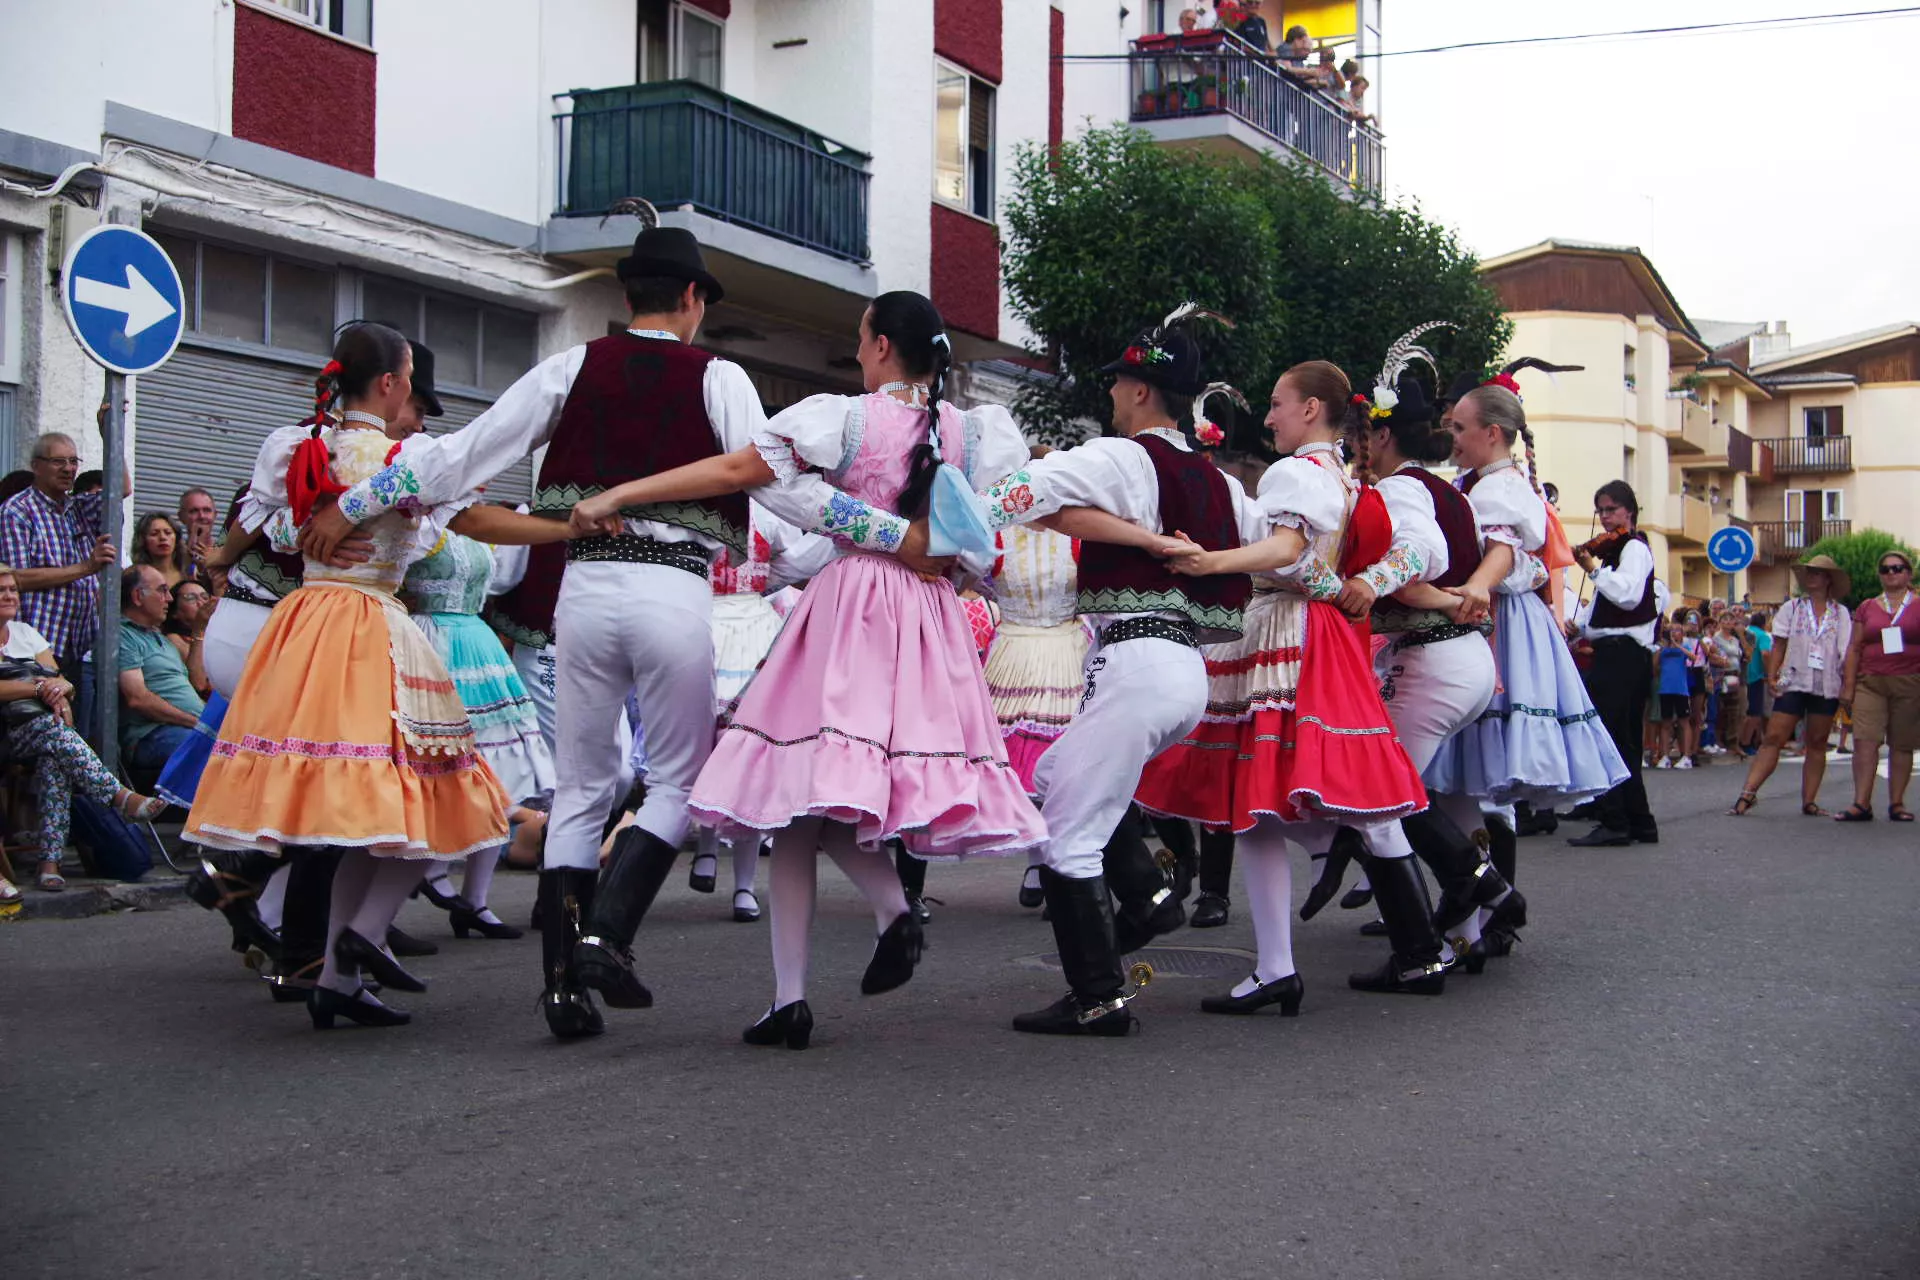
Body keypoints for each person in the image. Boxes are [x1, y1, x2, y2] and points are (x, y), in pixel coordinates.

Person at [299, 233, 952, 1042]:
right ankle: (608, 935)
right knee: (676, 780)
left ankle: (565, 990)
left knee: (582, 786)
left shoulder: (570, 369)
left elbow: (456, 460)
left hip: (585, 589)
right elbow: (782, 489)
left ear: (627, 296)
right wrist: (895, 536)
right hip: (673, 592)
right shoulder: (720, 376)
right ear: (692, 301)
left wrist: (349, 505)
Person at [570, 290, 1045, 1048]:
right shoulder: (971, 432)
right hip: (926, 620)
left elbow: (741, 470)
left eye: (861, 339)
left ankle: (870, 930)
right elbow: (990, 521)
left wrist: (624, 491)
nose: (857, 353)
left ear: (884, 345)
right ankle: (800, 989)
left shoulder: (851, 418)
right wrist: (925, 546)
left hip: (856, 609)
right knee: (805, 803)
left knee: (802, 794)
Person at [185, 322, 513, 1031]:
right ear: (392, 383)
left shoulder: (299, 444)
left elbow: (262, 521)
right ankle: (336, 940)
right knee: (417, 789)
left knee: (323, 781)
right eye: (408, 382)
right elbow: (468, 515)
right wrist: (568, 524)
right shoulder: (409, 457)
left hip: (303, 620)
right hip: (369, 626)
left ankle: (298, 932)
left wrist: (223, 558)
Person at [2, 565, 167, 894]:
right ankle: (119, 797)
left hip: (44, 725)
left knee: (56, 755)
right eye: (1, 591)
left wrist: (61, 692)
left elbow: (60, 679)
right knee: (55, 733)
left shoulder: (25, 633)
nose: (9, 596)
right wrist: (37, 688)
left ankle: (50, 865)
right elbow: (36, 684)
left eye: (13, 590)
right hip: (6, 732)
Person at [983, 514, 1089, 911]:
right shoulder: (998, 535)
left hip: (1068, 646)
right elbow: (970, 579)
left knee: (1067, 766)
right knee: (1021, 766)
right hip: (1013, 647)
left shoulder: (1080, 535)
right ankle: (1037, 860)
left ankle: (1060, 861)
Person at [0, 432, 121, 742]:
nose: (68, 468)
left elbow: (121, 489)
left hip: (83, 642)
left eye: (73, 461)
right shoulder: (17, 510)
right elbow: (18, 578)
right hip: (40, 643)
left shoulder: (79, 506)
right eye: (58, 461)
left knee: (84, 733)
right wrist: (86, 568)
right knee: (54, 732)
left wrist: (110, 434)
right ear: (36, 466)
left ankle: (82, 791)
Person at [1566, 480, 1660, 845]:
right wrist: (1581, 628)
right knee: (1624, 741)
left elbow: (1626, 595)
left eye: (1611, 510)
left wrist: (1591, 569)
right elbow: (1612, 607)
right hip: (1619, 652)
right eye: (1601, 511)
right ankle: (1640, 821)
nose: (1605, 518)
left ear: (1629, 513)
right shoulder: (1618, 553)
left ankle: (1615, 820)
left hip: (1622, 656)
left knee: (1605, 738)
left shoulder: (1633, 549)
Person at [1727, 556, 1852, 817]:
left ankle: (1809, 800)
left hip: (1826, 682)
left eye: (1817, 573)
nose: (1811, 577)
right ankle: (1747, 793)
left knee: (1817, 742)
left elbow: (1846, 652)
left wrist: (1847, 686)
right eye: (1809, 573)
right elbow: (1779, 644)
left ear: (1828, 579)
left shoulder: (1840, 613)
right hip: (1794, 679)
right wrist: (1772, 676)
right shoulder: (1792, 608)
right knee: (1774, 737)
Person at [1836, 549, 1920, 822]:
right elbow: (1854, 647)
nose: (1891, 573)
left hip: (1910, 682)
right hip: (1870, 682)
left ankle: (1897, 803)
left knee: (1902, 744)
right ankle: (1861, 803)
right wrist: (1848, 686)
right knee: (1865, 741)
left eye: (1897, 568)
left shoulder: (1918, 604)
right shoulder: (1867, 606)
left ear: (1909, 573)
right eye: (1886, 569)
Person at [117, 564, 207, 773]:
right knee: (212, 750)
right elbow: (137, 698)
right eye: (162, 590)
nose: (169, 599)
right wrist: (197, 723)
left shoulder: (161, 639)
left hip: (186, 728)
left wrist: (199, 630)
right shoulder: (123, 635)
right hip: (152, 734)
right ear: (138, 596)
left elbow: (197, 684)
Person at [1653, 622, 1692, 767]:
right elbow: (1654, 666)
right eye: (1671, 631)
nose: (1674, 633)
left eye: (1677, 630)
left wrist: (1678, 645)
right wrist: (1662, 648)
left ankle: (1687, 756)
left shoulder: (1685, 647)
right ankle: (1665, 756)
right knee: (1665, 723)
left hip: (1680, 689)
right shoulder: (1663, 649)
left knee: (1684, 722)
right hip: (1665, 689)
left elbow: (1693, 658)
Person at [132, 512, 192, 590]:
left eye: (168, 533)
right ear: (143, 540)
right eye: (154, 534)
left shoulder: (189, 573)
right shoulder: (135, 576)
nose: (162, 537)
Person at [1742, 608, 1774, 754]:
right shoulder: (1763, 635)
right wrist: (1769, 672)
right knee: (1755, 712)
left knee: (1743, 711)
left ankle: (1743, 740)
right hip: (1755, 675)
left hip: (1742, 674)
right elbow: (1765, 654)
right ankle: (1746, 742)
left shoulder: (1745, 632)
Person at [177, 488, 219, 580]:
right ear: (181, 517)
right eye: (194, 511)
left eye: (207, 510)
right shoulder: (173, 554)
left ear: (215, 515)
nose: (201, 516)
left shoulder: (225, 554)